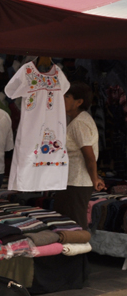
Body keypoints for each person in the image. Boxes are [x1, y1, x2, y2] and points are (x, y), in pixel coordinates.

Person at [53, 82, 104, 230]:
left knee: (75, 222)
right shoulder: (77, 120)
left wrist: (95, 178)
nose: (63, 99)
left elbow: (89, 156)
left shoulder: (80, 123)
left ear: (79, 102)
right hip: (71, 180)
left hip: (78, 181)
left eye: (67, 96)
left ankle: (81, 253)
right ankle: (70, 252)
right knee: (66, 221)